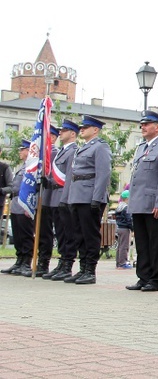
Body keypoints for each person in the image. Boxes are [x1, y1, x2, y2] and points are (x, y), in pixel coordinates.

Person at [126, 110, 158, 292]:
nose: (143, 127)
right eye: (142, 124)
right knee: (142, 244)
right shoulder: (141, 147)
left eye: (147, 124)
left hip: (154, 204)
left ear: (157, 127)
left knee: (155, 244)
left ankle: (155, 280)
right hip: (139, 203)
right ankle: (143, 277)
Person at [64, 115, 112, 285]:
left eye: (85, 127)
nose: (81, 130)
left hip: (90, 196)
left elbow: (103, 173)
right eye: (81, 127)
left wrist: (97, 198)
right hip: (77, 196)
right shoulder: (81, 148)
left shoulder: (100, 147)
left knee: (90, 234)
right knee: (79, 234)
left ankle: (90, 270)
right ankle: (83, 267)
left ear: (95, 130)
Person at [46, 119, 81, 281]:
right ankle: (62, 261)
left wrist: (66, 199)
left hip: (64, 197)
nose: (60, 132)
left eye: (64, 130)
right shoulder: (61, 151)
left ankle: (67, 264)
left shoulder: (73, 151)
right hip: (55, 196)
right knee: (60, 233)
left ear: (72, 134)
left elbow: (69, 178)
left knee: (68, 233)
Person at [29, 125, 59, 277]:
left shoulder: (53, 153)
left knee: (45, 232)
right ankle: (38, 261)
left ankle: (43, 263)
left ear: (53, 138)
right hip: (41, 196)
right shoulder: (41, 155)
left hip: (48, 196)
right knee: (40, 231)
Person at [1, 140, 34, 276]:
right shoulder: (23, 166)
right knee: (18, 234)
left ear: (29, 151)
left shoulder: (32, 167)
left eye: (22, 149)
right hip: (15, 201)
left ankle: (26, 262)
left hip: (24, 202)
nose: (20, 152)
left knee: (25, 234)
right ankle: (19, 260)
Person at [114, 190, 133, 269]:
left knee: (119, 246)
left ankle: (118, 263)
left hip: (119, 228)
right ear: (127, 198)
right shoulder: (126, 208)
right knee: (124, 247)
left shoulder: (119, 207)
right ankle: (122, 264)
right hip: (125, 229)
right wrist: (132, 228)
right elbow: (129, 220)